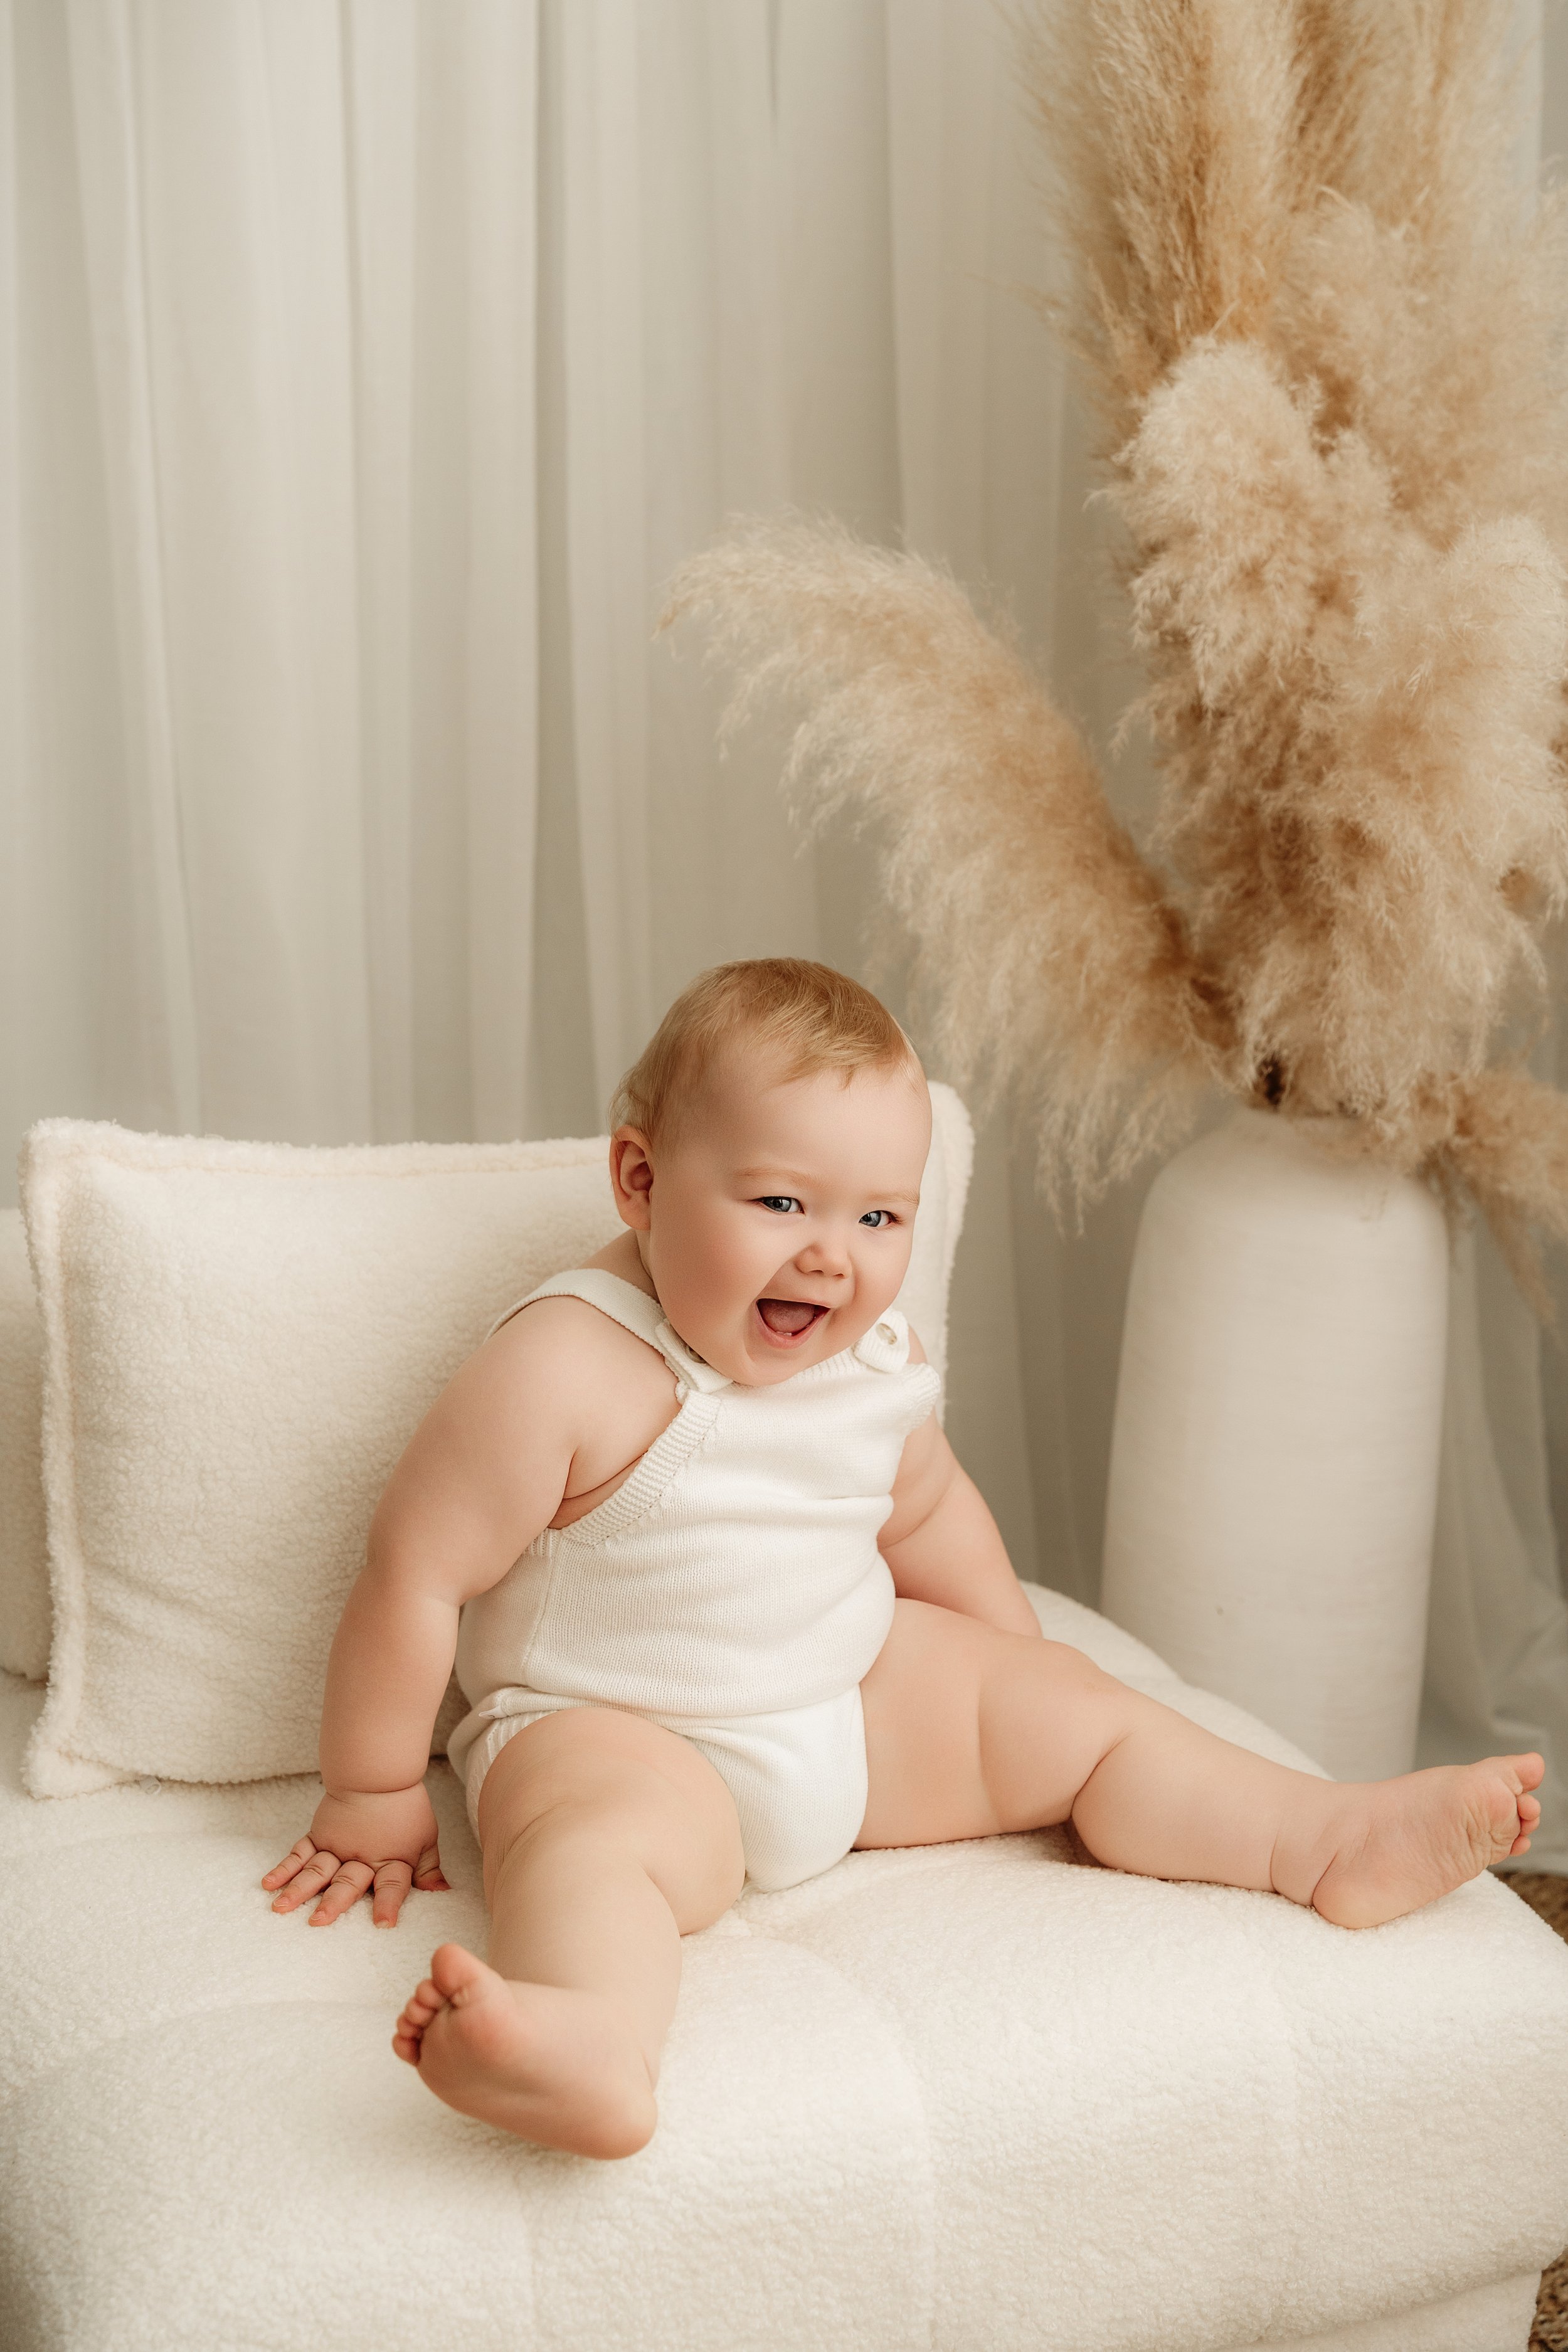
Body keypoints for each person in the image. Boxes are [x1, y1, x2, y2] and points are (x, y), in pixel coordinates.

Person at [263, 958, 1543, 2160]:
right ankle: (591, 2037)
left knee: (1089, 1714)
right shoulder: (567, 1367)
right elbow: (415, 1571)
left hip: (842, 1705)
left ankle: (1318, 1839)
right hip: (620, 1728)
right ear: (639, 1181)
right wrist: (371, 1792)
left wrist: (1009, 1661)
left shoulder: (871, 1356)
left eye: (879, 1216)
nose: (832, 1254)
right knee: (588, 1846)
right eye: (779, 1203)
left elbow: (920, 1509)